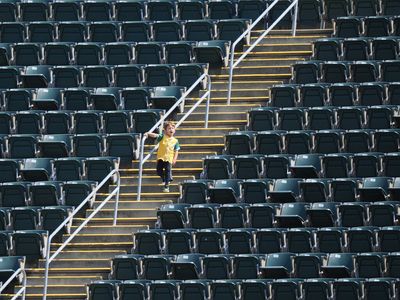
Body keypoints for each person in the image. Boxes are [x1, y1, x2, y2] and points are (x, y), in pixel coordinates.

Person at [145, 121, 180, 192]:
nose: (171, 130)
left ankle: (166, 186)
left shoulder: (175, 141)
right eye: (169, 128)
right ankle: (165, 178)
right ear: (165, 130)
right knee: (158, 171)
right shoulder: (162, 137)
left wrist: (174, 159)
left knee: (167, 170)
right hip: (161, 157)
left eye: (172, 128)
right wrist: (148, 133)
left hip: (169, 158)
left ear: (174, 130)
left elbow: (176, 150)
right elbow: (155, 135)